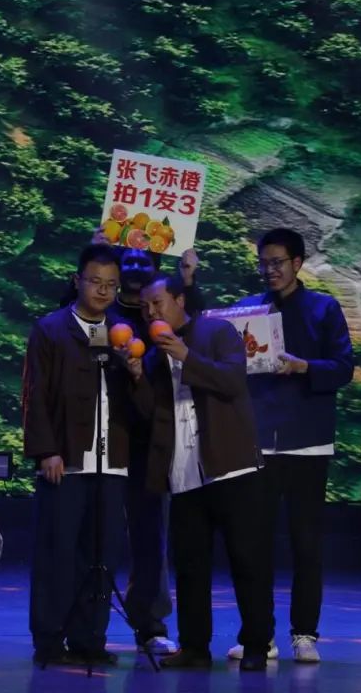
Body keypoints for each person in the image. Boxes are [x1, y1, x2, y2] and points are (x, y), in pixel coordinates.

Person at [126, 272, 273, 672]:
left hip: (232, 467)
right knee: (190, 565)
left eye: (157, 303)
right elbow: (151, 414)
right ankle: (194, 647)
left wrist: (185, 355)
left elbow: (232, 381)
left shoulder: (217, 332)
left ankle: (256, 645)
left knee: (247, 560)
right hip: (184, 471)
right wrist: (138, 377)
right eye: (145, 306)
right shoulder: (154, 355)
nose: (150, 312)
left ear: (179, 300)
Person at [230, 228, 353, 663]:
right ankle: (258, 637)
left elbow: (343, 368)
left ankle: (305, 633)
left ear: (298, 263)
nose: (270, 270)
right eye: (264, 262)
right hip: (259, 441)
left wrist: (304, 367)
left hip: (308, 443)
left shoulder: (324, 308)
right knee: (254, 544)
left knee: (306, 544)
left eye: (278, 262)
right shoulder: (247, 309)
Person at [23, 244, 132, 666]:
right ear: (77, 281)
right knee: (58, 553)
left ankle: (90, 638)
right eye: (95, 282)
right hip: (66, 460)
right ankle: (50, 639)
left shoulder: (122, 332)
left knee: (101, 555)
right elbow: (35, 395)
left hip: (111, 461)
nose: (103, 291)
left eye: (111, 284)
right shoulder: (51, 329)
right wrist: (47, 450)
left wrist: (134, 369)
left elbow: (136, 399)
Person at [106, 240, 205, 656]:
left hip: (151, 443)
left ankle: (149, 625)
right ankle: (85, 630)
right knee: (100, 537)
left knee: (151, 539)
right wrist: (94, 253)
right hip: (105, 439)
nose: (134, 265)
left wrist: (189, 280)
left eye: (142, 260)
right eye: (126, 259)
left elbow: (196, 325)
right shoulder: (104, 308)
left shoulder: (164, 312)